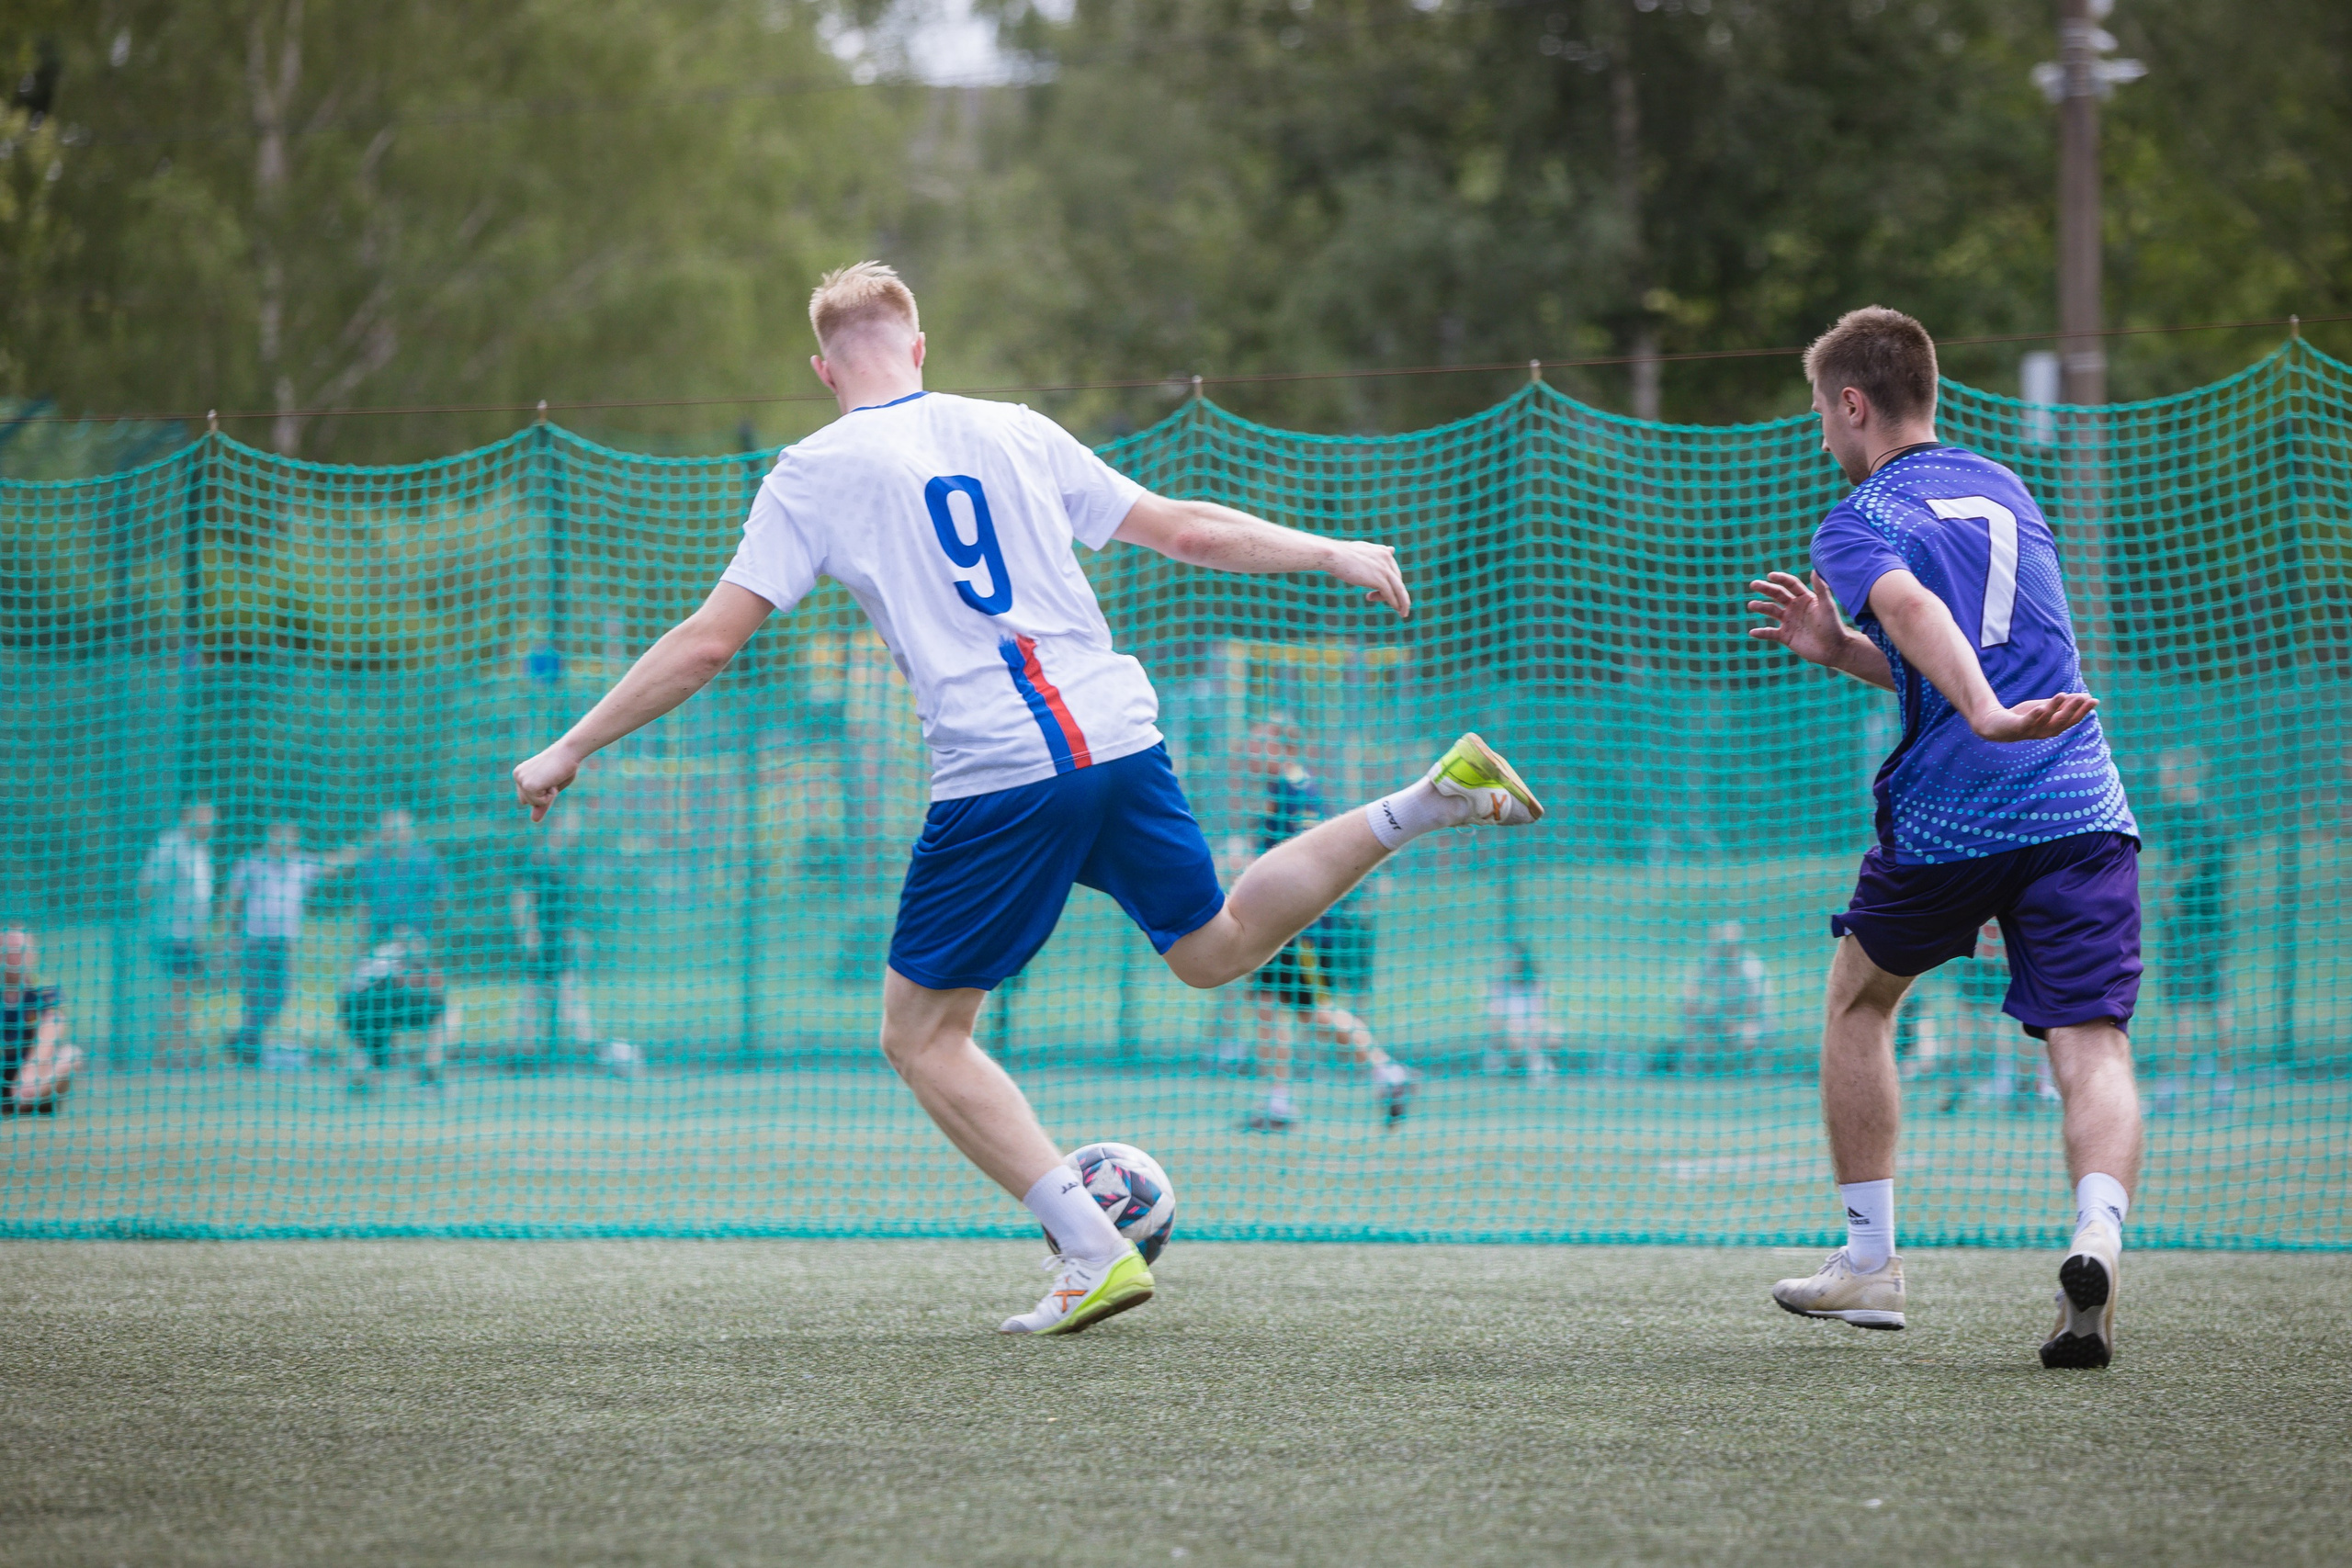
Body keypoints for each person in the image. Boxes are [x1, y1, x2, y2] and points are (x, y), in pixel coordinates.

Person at [511, 262, 1545, 1337]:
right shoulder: (1014, 427)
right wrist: (1327, 548)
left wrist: (569, 746)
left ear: (822, 370)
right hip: (1119, 736)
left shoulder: (811, 471)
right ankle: (1429, 802)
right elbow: (1186, 532)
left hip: (1001, 770)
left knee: (921, 1037)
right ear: (918, 347)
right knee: (1214, 949)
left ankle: (1091, 1249)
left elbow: (708, 643)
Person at [1746, 306, 2142, 1370]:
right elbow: (1970, 647)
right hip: (2079, 806)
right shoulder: (2007, 487)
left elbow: (1920, 614)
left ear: (1852, 404)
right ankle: (2096, 1241)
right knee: (2091, 1043)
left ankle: (1870, 1263)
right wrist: (1840, 649)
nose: (1820, 432)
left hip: (1954, 813)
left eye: (1819, 412)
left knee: (1858, 1001)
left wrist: (1985, 716)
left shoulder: (1859, 516)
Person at [1235, 718, 1415, 1130]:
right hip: (1278, 920)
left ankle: (1388, 1073)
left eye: (1261, 744)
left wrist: (1244, 867)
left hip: (1298, 927)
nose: (1251, 752)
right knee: (1272, 1006)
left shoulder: (1298, 794)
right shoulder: (1280, 792)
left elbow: (1301, 863)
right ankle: (1281, 1102)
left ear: (1284, 747)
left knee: (1310, 1011)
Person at [223, 821, 361, 1065]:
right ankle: (247, 1045)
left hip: (283, 943)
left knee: (280, 995)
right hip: (254, 941)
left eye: (288, 838)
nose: (283, 843)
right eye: (278, 837)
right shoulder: (252, 863)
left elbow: (333, 864)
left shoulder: (301, 864)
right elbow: (233, 899)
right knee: (255, 996)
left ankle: (244, 1041)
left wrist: (358, 849)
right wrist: (229, 935)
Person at [509, 810, 622, 1073]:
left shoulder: (561, 861)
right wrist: (528, 933)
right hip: (543, 940)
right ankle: (591, 1050)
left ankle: (586, 1049)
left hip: (558, 940)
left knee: (552, 994)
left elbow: (564, 908)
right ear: (556, 825)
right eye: (570, 824)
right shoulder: (537, 860)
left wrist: (574, 935)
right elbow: (521, 898)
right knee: (544, 996)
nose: (574, 831)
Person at [2152, 748, 2233, 1112]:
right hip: (2213, 923)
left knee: (2184, 1006)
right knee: (2215, 1002)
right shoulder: (2212, 815)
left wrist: (2169, 887)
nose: (2161, 779)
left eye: (2166, 771)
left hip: (2188, 924)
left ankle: (2173, 1090)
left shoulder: (2188, 816)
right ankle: (2223, 1088)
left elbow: (2198, 854)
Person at [138, 801, 215, 1062]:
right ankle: (172, 1049)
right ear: (188, 817)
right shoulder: (170, 846)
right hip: (170, 931)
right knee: (177, 989)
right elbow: (147, 886)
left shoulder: (200, 850)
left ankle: (176, 1045)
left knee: (185, 990)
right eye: (203, 820)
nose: (208, 827)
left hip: (191, 933)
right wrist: (149, 922)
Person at [338, 929, 447, 1093]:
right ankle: (427, 1076)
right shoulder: (403, 956)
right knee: (444, 1011)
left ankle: (362, 1072)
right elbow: (413, 978)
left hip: (351, 1009)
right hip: (375, 1002)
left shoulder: (377, 955)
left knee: (377, 1061)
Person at [2, 929, 79, 1115]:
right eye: (8, 950)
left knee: (72, 1054)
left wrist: (30, 1074)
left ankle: (26, 1102)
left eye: (20, 950)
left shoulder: (45, 991)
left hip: (32, 1080)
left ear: (32, 953)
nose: (14, 956)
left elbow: (52, 1029)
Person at [1678, 919, 1770, 1070]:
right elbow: (1692, 989)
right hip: (1722, 1017)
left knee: (1747, 1038)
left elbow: (1753, 1010)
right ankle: (1691, 1063)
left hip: (1753, 1020)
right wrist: (1697, 1005)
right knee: (1689, 1013)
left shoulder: (1749, 968)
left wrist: (1731, 1024)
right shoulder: (1711, 961)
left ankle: (1753, 1067)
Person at [1485, 940, 1552, 1077]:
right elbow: (1493, 1018)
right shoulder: (1496, 985)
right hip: (1505, 1032)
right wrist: (1513, 1028)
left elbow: (1542, 1014)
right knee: (1512, 1036)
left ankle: (1531, 1061)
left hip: (1531, 1031)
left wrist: (1527, 1029)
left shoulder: (1536, 984)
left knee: (1554, 1034)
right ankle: (1534, 1062)